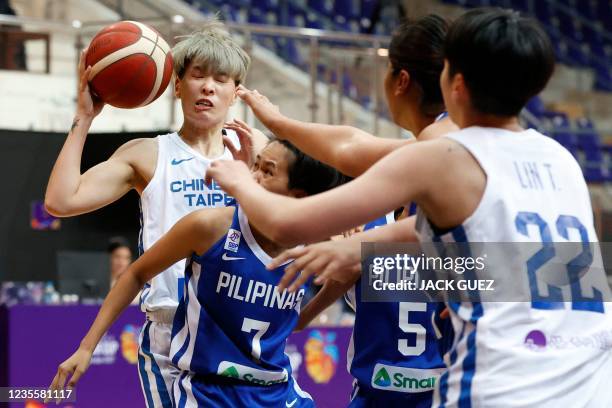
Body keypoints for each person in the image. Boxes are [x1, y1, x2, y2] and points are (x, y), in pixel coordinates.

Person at [207, 8, 612, 406]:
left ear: (454, 81)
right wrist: (363, 248)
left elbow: (286, 223)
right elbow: (500, 247)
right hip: (591, 379)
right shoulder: (560, 158)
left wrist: (241, 180)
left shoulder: (444, 156)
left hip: (504, 383)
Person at [44, 20, 268, 408]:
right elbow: (61, 201)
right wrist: (85, 118)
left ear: (236, 93)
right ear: (177, 85)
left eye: (221, 79)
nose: (208, 87)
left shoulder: (257, 154)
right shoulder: (149, 154)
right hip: (171, 333)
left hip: (242, 331)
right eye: (197, 75)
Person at [233, 15, 454, 407]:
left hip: (448, 387)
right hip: (384, 387)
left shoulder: (445, 148)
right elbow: (351, 147)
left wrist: (236, 180)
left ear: (400, 81)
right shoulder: (443, 154)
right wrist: (279, 123)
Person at [47, 139, 343, 407]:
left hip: (277, 390)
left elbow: (353, 270)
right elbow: (136, 274)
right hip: (210, 393)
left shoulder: (318, 235)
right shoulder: (211, 226)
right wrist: (86, 348)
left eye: (267, 172)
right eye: (255, 165)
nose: (251, 177)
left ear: (298, 195)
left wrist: (303, 319)